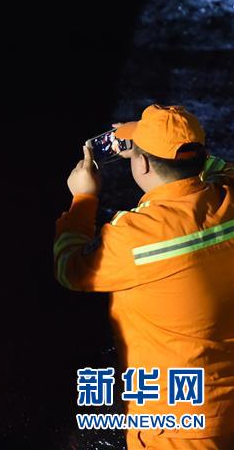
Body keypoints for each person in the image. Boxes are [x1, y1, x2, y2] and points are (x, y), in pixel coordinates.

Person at [54, 105, 234, 450]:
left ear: (144, 165)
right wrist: (143, 140)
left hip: (179, 426)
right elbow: (218, 166)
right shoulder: (228, 192)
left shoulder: (136, 237)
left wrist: (83, 198)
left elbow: (69, 267)